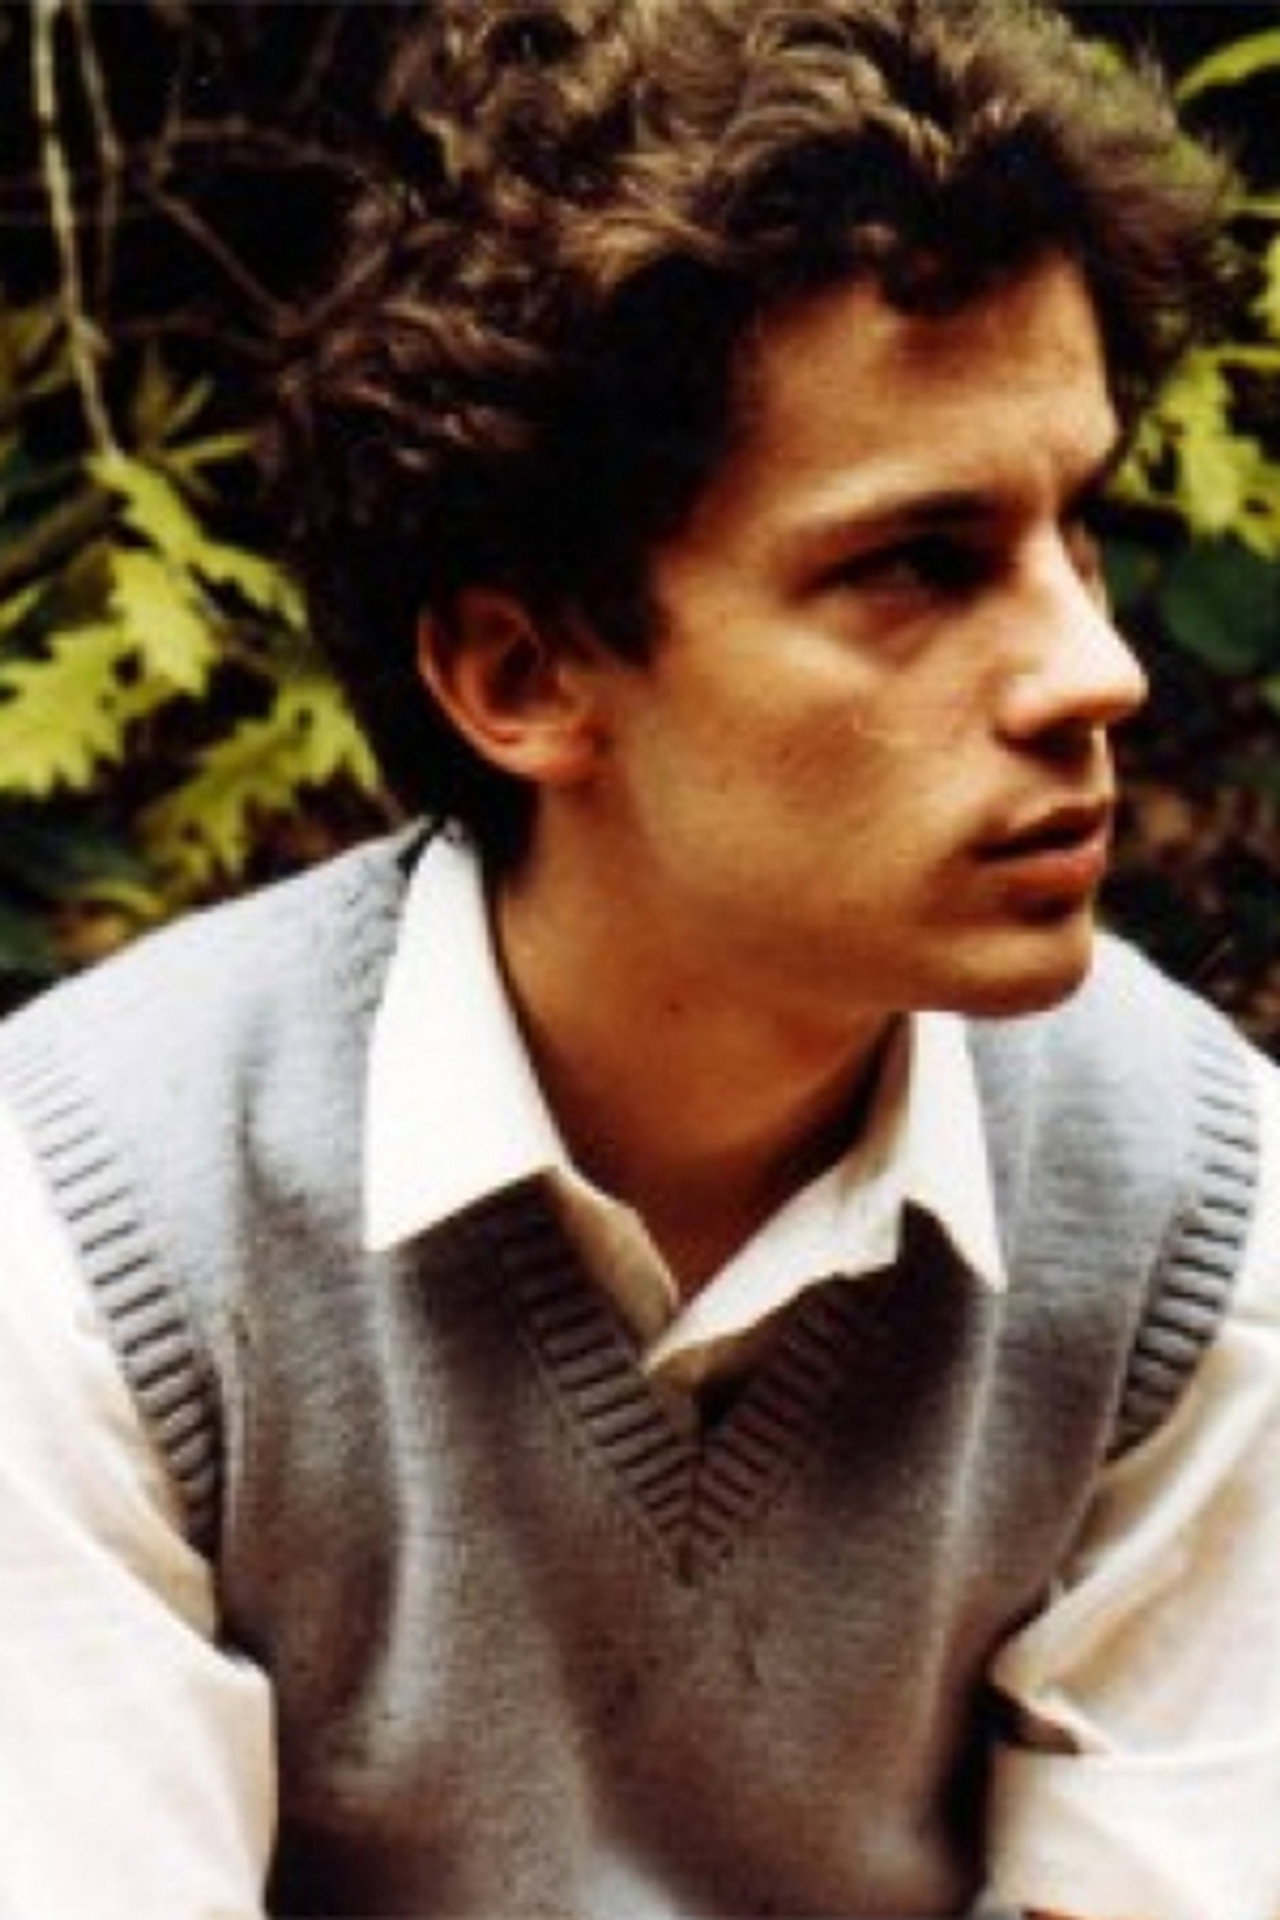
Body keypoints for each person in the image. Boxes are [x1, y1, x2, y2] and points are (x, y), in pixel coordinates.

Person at [2, 0, 1278, 1914]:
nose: (1094, 668)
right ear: (522, 675)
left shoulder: (1195, 1207)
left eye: (1074, 528)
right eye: (919, 564)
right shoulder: (103, 1235)